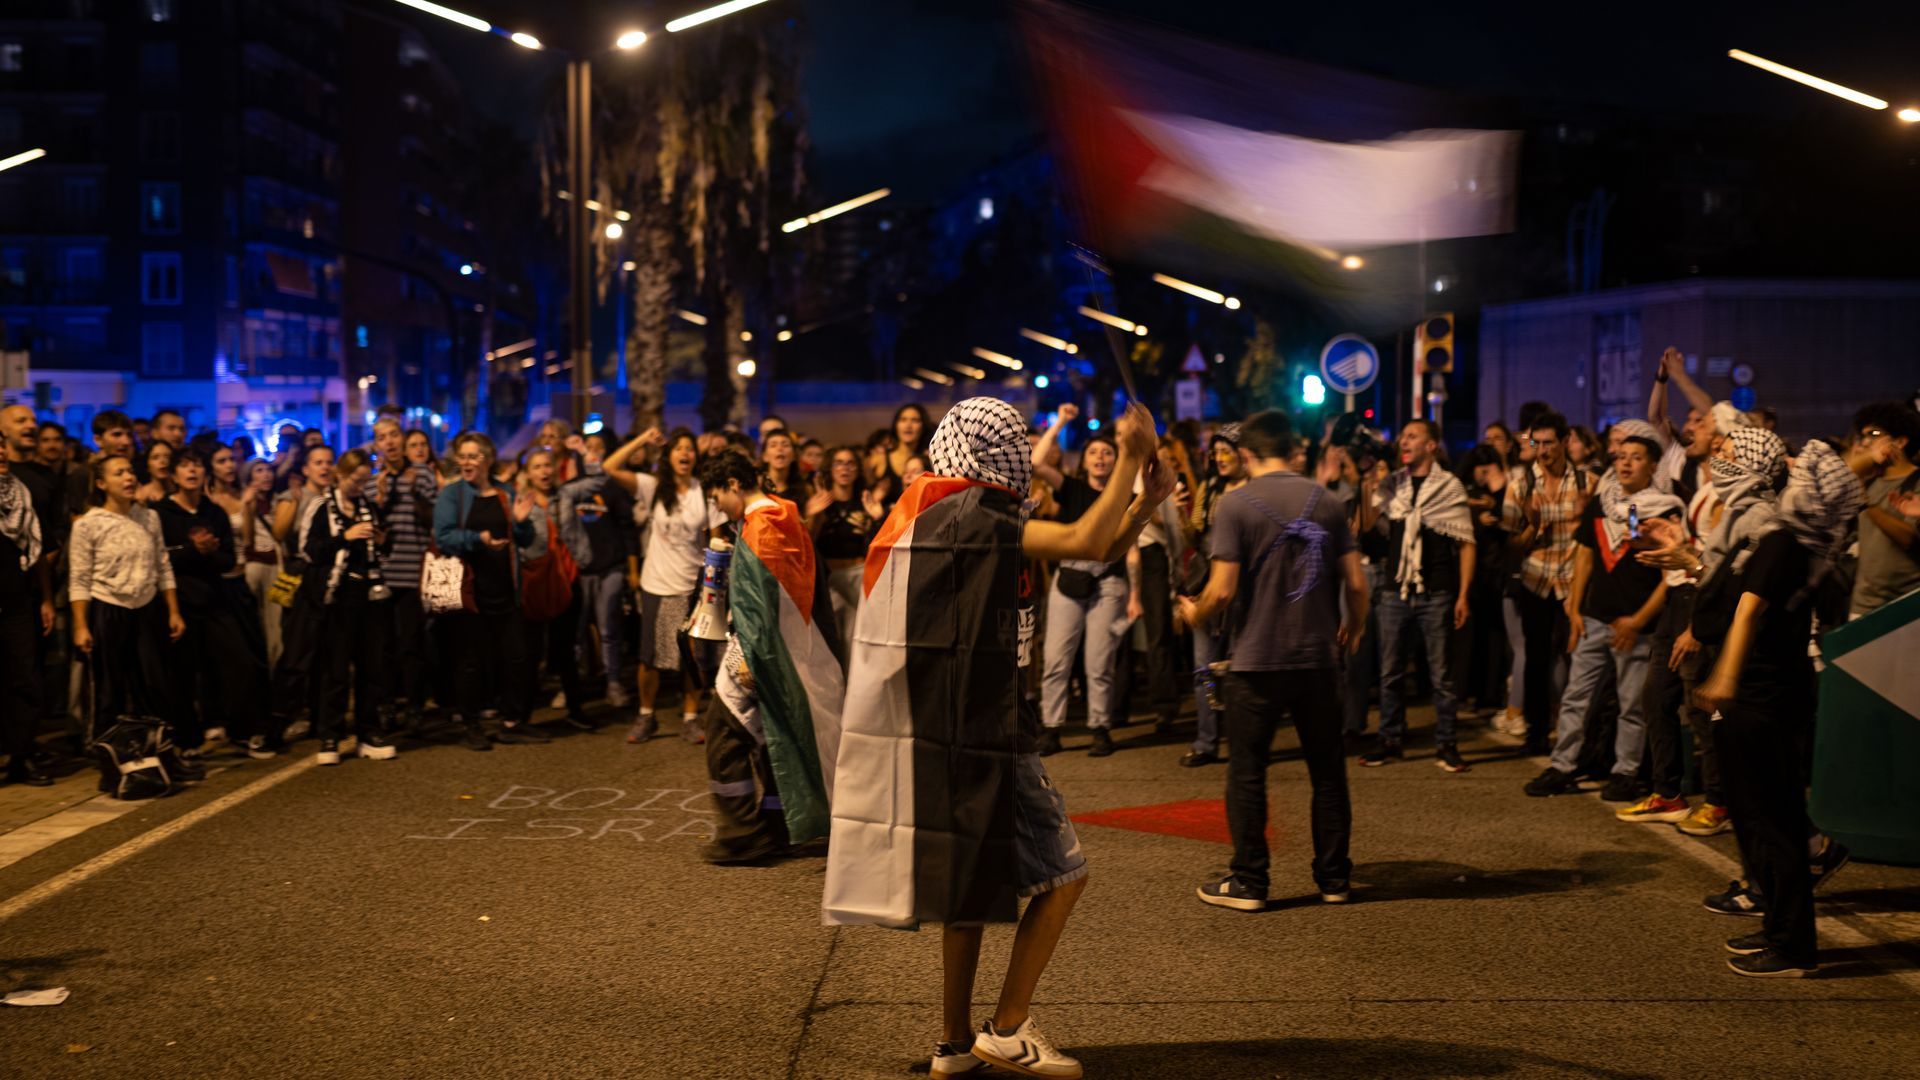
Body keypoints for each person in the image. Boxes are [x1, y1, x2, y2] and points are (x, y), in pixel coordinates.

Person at [824, 398, 1167, 1080]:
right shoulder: (972, 513)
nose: (1023, 460)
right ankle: (1007, 1028)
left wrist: (1142, 506)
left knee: (970, 888)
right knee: (1065, 874)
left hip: (943, 727)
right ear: (990, 455)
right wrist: (1130, 455)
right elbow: (1083, 545)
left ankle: (953, 1046)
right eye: (1014, 444)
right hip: (987, 727)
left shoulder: (928, 506)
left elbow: (1093, 547)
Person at [1688, 438, 1872, 977]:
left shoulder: (1783, 543)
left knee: (1772, 821)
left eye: (1802, 473)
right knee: (1758, 818)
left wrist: (1725, 676)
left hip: (1756, 696)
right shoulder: (1807, 548)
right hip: (1770, 693)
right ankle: (1777, 928)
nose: (1792, 476)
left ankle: (1793, 944)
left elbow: (1747, 613)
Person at [1177, 410, 1368, 913]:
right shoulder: (1325, 501)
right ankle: (1334, 879)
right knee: (1328, 773)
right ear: (1292, 449)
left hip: (1257, 662)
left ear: (1246, 454)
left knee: (1247, 772)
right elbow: (1356, 583)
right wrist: (1356, 625)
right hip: (1318, 662)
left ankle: (1250, 882)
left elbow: (1222, 590)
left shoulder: (1236, 504)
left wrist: (1195, 612)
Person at [699, 449, 846, 864]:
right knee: (773, 738)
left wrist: (748, 657)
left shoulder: (762, 528)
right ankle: (777, 826)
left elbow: (763, 604)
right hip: (791, 652)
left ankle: (742, 833)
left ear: (732, 485)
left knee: (724, 733)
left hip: (763, 652)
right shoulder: (782, 514)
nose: (718, 507)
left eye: (717, 497)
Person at [1524, 435, 1680, 799]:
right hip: (1595, 618)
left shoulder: (1665, 510)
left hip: (1636, 627)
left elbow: (1671, 577)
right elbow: (1584, 555)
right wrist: (1575, 609)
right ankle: (1563, 765)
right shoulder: (1602, 503)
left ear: (1653, 466)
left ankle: (1625, 772)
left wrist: (1638, 620)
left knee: (1631, 703)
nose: (1625, 464)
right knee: (1576, 695)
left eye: (1637, 458)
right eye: (1622, 456)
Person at [1357, 419, 1475, 772]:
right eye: (1403, 436)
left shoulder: (1449, 487)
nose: (1403, 441)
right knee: (1390, 671)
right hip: (1395, 589)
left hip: (1436, 590)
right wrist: (1367, 482)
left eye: (1412, 436)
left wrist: (1463, 594)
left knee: (1442, 675)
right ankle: (1390, 739)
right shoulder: (1393, 484)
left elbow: (1467, 543)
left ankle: (1447, 743)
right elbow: (1365, 524)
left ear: (1431, 446)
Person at [156, 451, 274, 758]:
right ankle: (186, 740)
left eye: (196, 464)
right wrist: (193, 549)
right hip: (179, 601)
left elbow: (229, 559)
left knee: (240, 663)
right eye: (184, 465)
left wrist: (208, 552)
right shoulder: (162, 513)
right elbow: (161, 558)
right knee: (182, 674)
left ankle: (245, 731)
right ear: (174, 475)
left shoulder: (214, 512)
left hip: (215, 598)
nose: (192, 469)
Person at [434, 433, 546, 750]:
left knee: (516, 657)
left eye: (473, 456)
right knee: (471, 661)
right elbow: (443, 536)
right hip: (470, 590)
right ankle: (472, 725)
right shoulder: (452, 495)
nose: (466, 462)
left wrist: (522, 523)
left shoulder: (504, 493)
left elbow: (523, 540)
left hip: (504, 588)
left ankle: (512, 722)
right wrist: (478, 539)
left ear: (487, 459)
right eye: (462, 456)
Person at [1031, 404, 1131, 757]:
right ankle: (1052, 728)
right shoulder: (1070, 488)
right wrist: (1059, 421)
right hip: (1068, 580)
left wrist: (1135, 596)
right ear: (1084, 460)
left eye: (1107, 453)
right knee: (1057, 658)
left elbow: (1130, 545)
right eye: (1093, 453)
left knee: (1099, 662)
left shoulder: (1123, 496)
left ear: (1116, 461)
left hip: (1108, 581)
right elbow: (1038, 463)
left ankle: (1100, 728)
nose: (1100, 458)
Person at [606, 428, 717, 743]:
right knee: (650, 657)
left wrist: (714, 584)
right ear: (668, 456)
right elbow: (610, 467)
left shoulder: (705, 491)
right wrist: (642, 439)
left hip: (691, 586)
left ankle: (691, 717)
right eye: (678, 448)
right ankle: (646, 715)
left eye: (690, 448)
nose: (685, 453)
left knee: (691, 656)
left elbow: (715, 538)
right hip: (657, 584)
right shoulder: (652, 487)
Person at [70, 455, 185, 736]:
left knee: (153, 681)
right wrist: (81, 625)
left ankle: (157, 749)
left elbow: (162, 564)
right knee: (110, 687)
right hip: (108, 609)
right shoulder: (88, 524)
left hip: (146, 607)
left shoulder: (149, 517)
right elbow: (80, 578)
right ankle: (113, 754)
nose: (128, 478)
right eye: (118, 473)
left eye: (131, 471)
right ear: (101, 484)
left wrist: (173, 610)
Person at [1504, 411, 1592, 753]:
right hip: (1536, 581)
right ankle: (1537, 732)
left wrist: (1585, 517)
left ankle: (1578, 736)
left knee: (1577, 662)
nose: (1542, 450)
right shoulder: (1520, 486)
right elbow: (1511, 545)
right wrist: (1532, 526)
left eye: (1548, 443)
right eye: (1535, 443)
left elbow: (1595, 541)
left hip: (1574, 583)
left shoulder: (1588, 483)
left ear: (1565, 441)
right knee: (1537, 660)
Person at [1180, 423, 1246, 767]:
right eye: (1215, 452)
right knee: (1203, 668)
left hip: (1242, 591)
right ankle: (1206, 742)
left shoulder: (1254, 491)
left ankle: (1240, 743)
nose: (1220, 459)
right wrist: (1180, 511)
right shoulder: (1208, 488)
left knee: (1238, 670)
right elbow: (1194, 537)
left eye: (1227, 452)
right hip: (1206, 587)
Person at [517, 447, 592, 731]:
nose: (543, 472)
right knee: (531, 650)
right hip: (535, 582)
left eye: (547, 465)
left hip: (566, 578)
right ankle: (521, 716)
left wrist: (584, 453)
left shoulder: (566, 496)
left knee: (565, 649)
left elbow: (597, 481)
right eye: (536, 467)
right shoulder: (521, 502)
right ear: (527, 472)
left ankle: (575, 708)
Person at [372, 428, 441, 725]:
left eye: (393, 435)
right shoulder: (372, 482)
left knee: (412, 643)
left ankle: (415, 706)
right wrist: (379, 502)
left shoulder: (423, 476)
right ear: (377, 444)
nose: (389, 442)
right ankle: (387, 704)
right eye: (382, 437)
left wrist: (414, 493)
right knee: (383, 644)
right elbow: (373, 532)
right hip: (382, 575)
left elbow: (433, 521)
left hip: (414, 572)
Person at [0, 452, 53, 787]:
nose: (0, 452)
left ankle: (22, 756)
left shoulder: (21, 492)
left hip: (17, 602)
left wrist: (46, 597)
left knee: (26, 680)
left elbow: (38, 551)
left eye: (1, 444)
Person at [805, 445, 885, 655]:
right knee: (831, 640)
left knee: (856, 640)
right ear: (829, 469)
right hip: (828, 577)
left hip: (858, 575)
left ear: (857, 470)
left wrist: (878, 517)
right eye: (838, 463)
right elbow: (807, 544)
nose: (845, 468)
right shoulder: (818, 503)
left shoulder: (865, 502)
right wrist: (813, 515)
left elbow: (879, 543)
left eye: (850, 463)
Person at [1847, 402, 1920, 619]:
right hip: (1864, 604)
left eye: (1875, 434)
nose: (1866, 441)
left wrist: (1867, 505)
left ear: (1900, 441)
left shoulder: (1916, 482)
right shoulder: (1868, 483)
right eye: (1863, 436)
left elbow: (1908, 538)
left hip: (1907, 602)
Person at [760, 428, 806, 504]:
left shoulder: (804, 489)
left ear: (794, 455)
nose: (780, 448)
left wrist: (809, 515)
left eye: (785, 445)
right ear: (765, 456)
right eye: (773, 445)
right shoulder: (756, 485)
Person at [886, 402, 931, 479]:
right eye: (903, 420)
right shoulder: (879, 459)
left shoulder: (930, 461)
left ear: (923, 426)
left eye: (915, 420)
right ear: (896, 425)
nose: (908, 425)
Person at [134, 439, 174, 504]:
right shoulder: (142, 495)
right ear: (147, 465)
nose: (162, 461)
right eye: (155, 457)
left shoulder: (181, 491)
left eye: (167, 457)